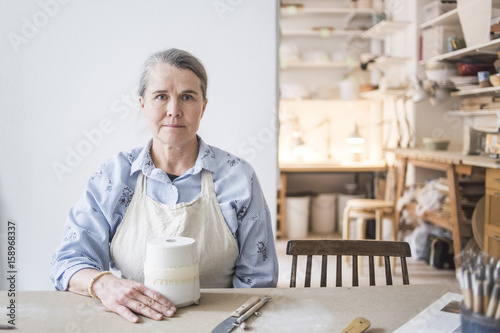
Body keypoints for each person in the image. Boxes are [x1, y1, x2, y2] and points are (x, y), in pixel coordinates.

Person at [50, 48, 278, 323]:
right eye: (161, 96)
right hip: (132, 323)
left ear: (203, 106)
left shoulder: (238, 178)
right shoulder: (114, 176)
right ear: (143, 104)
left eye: (187, 97)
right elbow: (69, 261)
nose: (174, 111)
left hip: (221, 324)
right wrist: (104, 284)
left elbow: (259, 281)